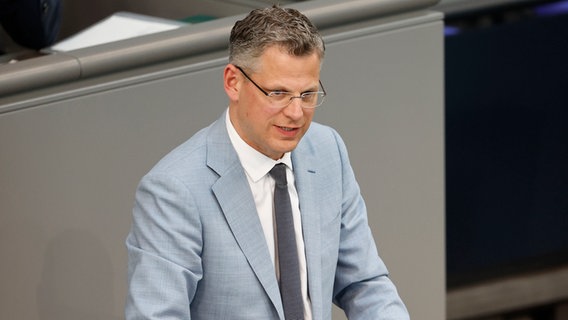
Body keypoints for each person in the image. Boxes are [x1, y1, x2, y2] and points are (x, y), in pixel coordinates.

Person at [126, 5, 409, 320]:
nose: (296, 113)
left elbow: (364, 283)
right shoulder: (174, 189)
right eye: (278, 93)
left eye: (307, 94)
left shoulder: (327, 150)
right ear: (234, 82)